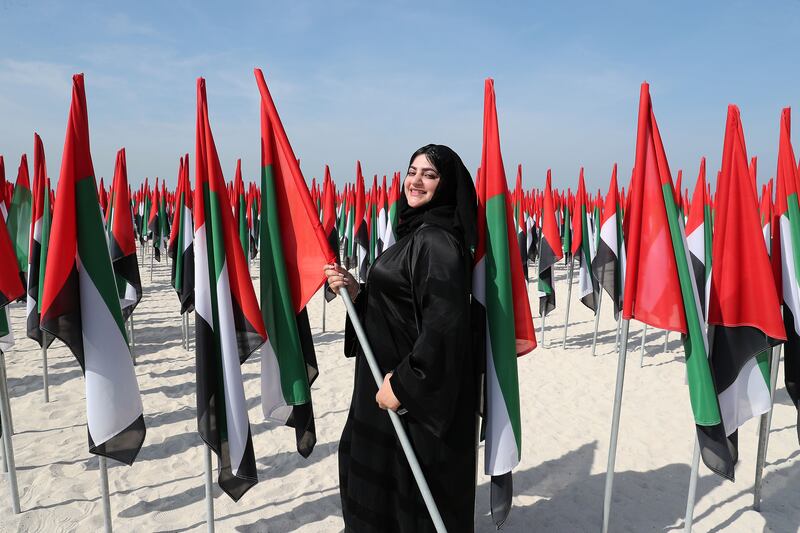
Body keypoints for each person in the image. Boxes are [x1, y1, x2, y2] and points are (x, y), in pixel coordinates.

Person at [324, 144, 479, 533]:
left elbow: (446, 326)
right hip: (385, 385)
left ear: (446, 186)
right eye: (412, 171)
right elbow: (403, 305)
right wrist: (359, 293)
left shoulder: (438, 242)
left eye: (429, 174)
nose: (416, 180)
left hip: (409, 400)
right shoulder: (418, 234)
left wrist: (406, 386)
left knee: (413, 499)